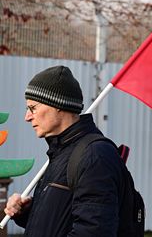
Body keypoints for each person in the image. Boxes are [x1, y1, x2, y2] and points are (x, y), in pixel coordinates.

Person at [4, 65, 128, 237]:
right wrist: (26, 213)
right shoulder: (62, 152)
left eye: (33, 108)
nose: (27, 117)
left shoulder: (94, 156)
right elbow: (61, 223)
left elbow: (93, 231)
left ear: (58, 104)